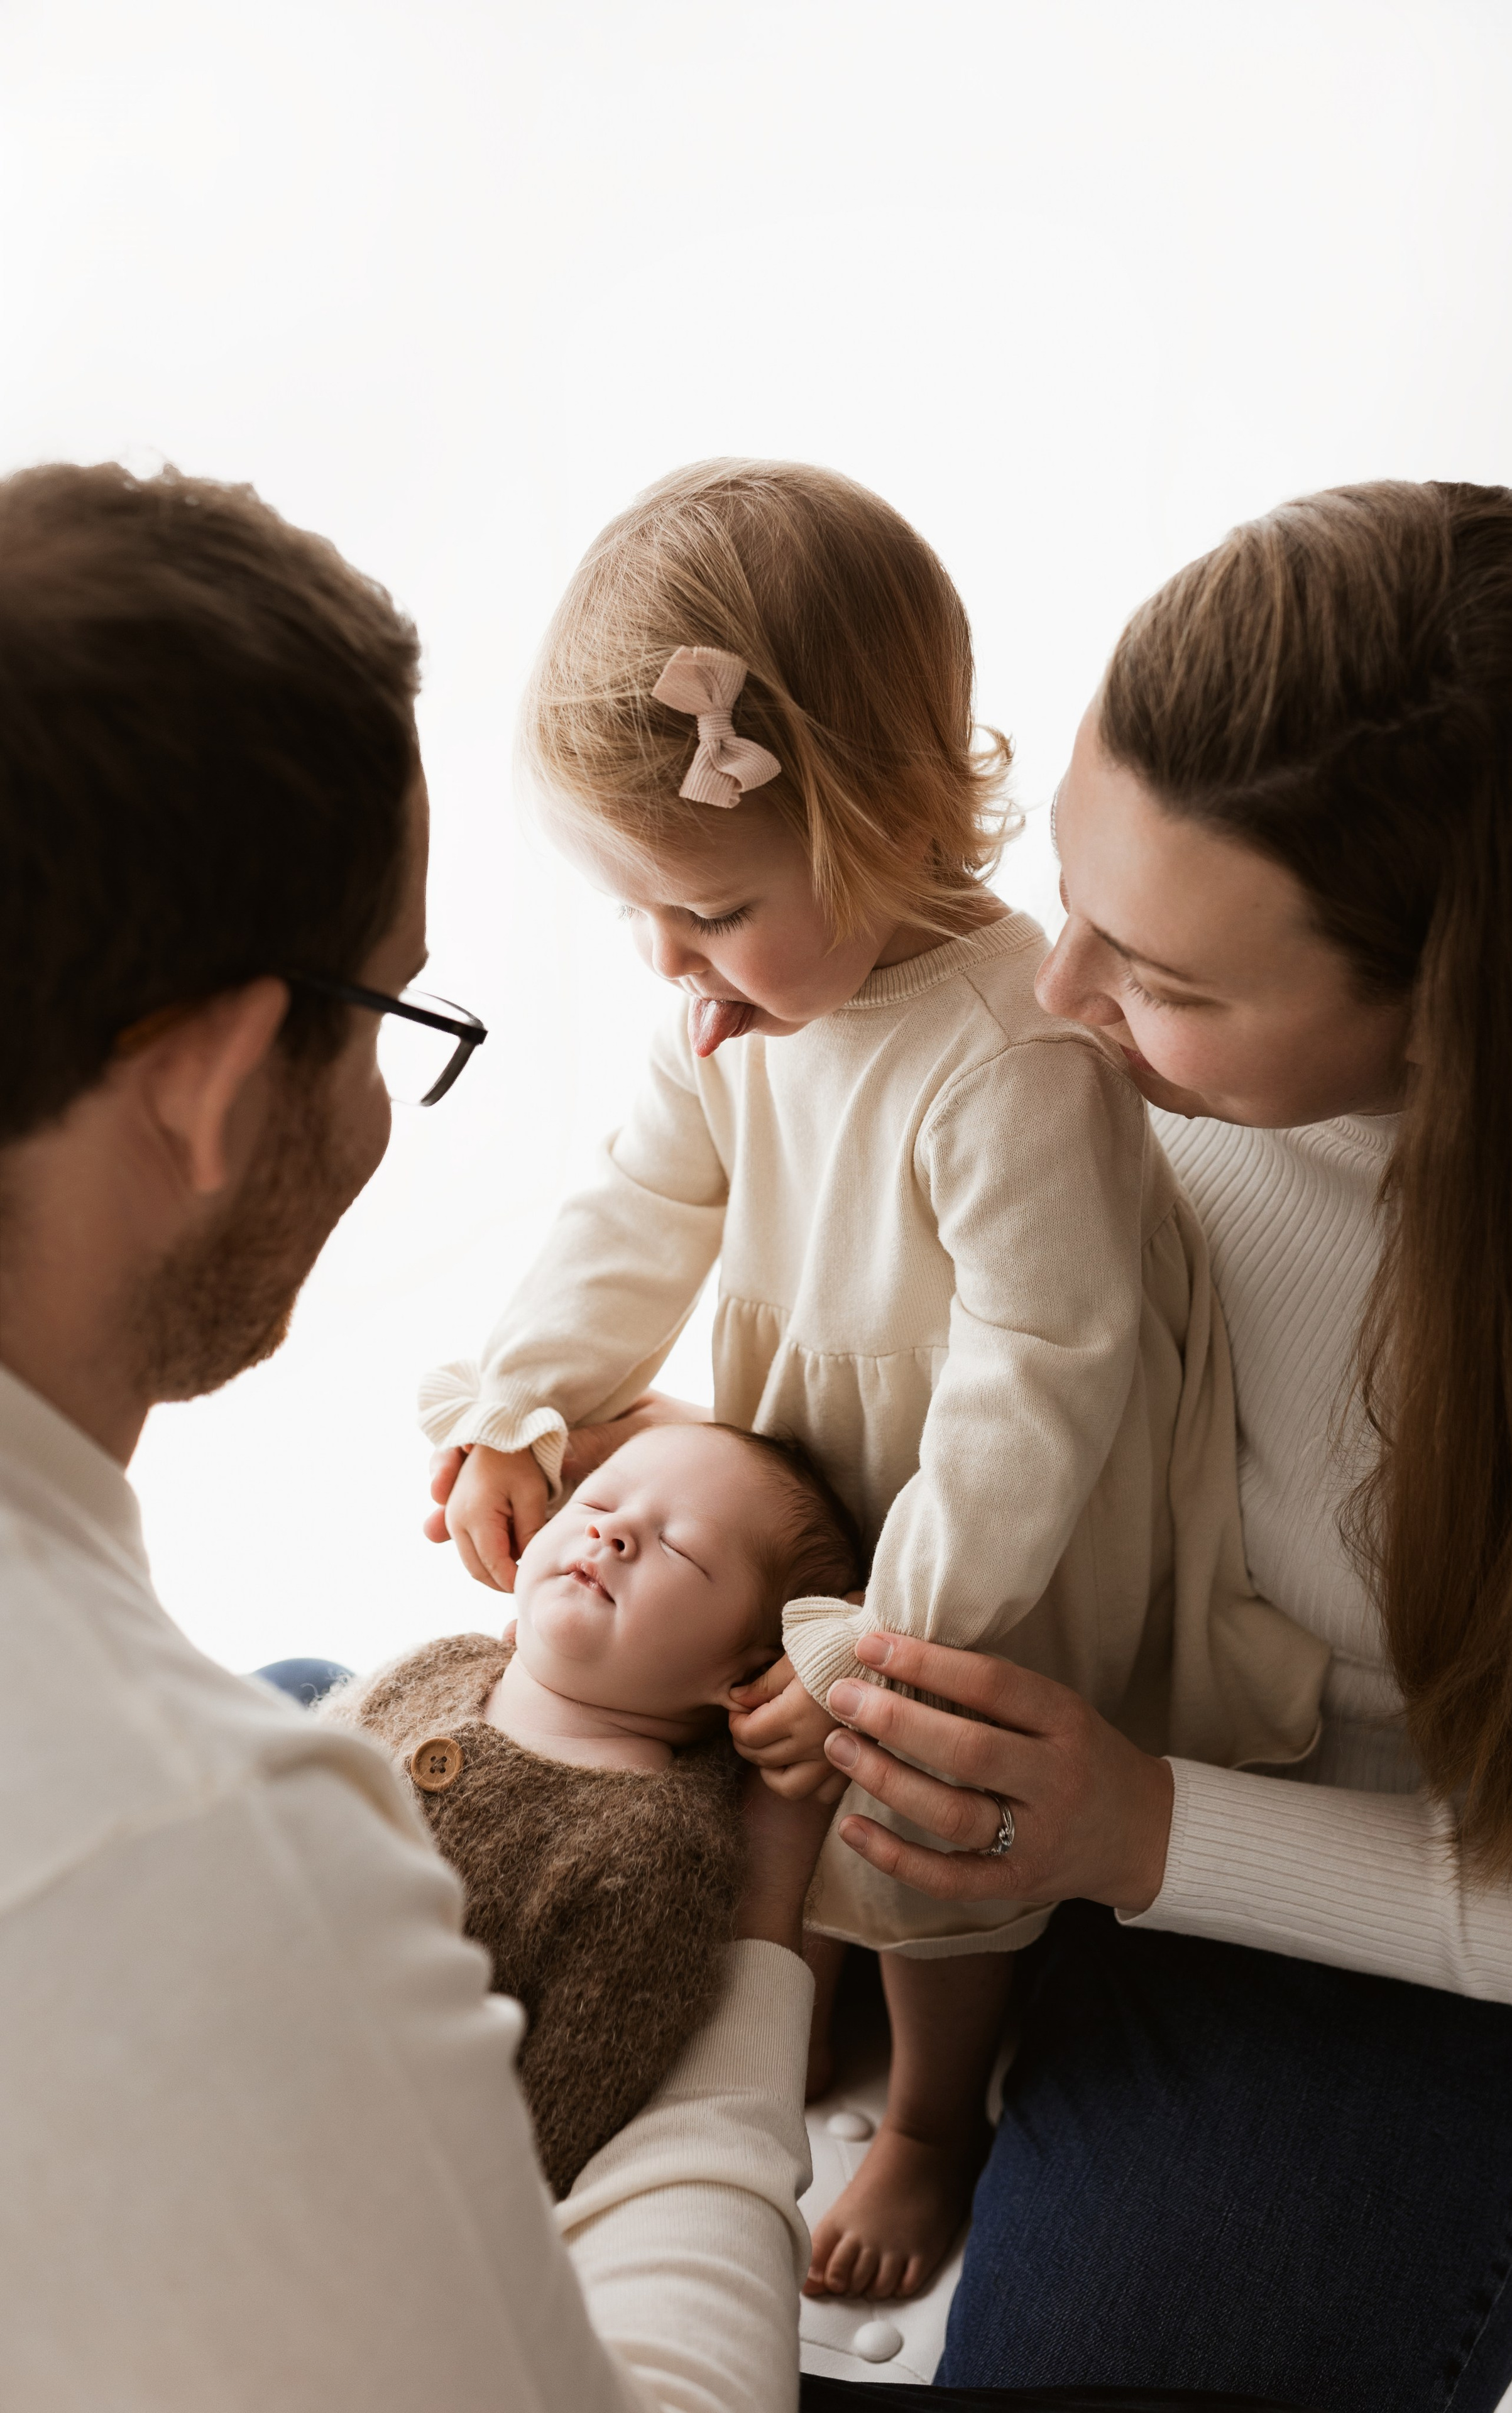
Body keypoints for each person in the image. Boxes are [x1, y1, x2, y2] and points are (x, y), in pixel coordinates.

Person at [420, 457, 1326, 2302]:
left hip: (978, 1535)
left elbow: (1036, 1383)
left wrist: (890, 1636)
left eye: (711, 907)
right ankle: (771, 1997)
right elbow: (638, 1199)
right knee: (736, 1765)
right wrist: (519, 1398)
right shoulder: (736, 1011)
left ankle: (933, 2104)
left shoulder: (1014, 1057)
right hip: (805, 1457)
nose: (673, 962)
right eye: (645, 919)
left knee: (920, 1836)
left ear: (886, 816)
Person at [0, 458, 845, 2413]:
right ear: (212, 1079)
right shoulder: (207, 1848)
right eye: (395, 1012)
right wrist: (761, 1954)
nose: (386, 1107)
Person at [806, 482, 1512, 2411]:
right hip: (1014, 1749)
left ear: (1458, 1003)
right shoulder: (1055, 1036)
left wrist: (1140, 1827)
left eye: (1163, 980)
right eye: (1067, 890)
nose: (1059, 995)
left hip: (1408, 1891)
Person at [324, 1423, 862, 2196]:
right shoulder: (440, 1663)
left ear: (750, 1669)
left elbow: (563, 2106)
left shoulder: (655, 1852)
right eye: (596, 1501)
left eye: (679, 1548)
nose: (611, 1531)